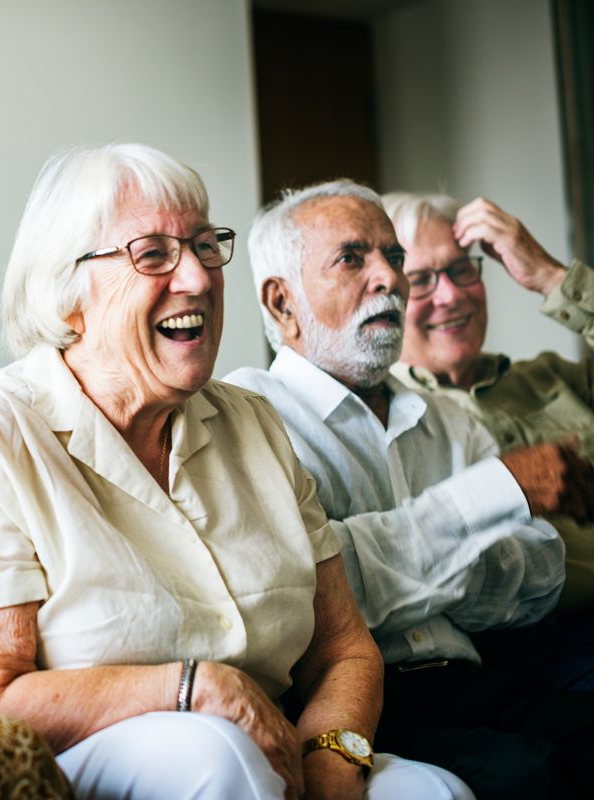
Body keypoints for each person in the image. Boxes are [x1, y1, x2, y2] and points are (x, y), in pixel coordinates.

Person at [0, 143, 472, 800]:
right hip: (72, 762)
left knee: (435, 791)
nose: (197, 278)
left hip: (268, 744)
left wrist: (334, 755)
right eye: (155, 254)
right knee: (213, 754)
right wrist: (195, 688)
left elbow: (344, 649)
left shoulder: (254, 424)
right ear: (67, 291)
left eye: (203, 245)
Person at [223, 179, 594, 800]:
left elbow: (538, 577)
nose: (390, 278)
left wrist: (386, 557)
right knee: (531, 779)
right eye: (352, 257)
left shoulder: (449, 421)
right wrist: (487, 501)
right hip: (362, 705)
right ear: (282, 302)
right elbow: (308, 598)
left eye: (392, 258)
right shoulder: (249, 413)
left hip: (485, 678)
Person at [384, 192, 594, 615]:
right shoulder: (387, 419)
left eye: (461, 270)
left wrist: (553, 278)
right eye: (421, 279)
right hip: (552, 642)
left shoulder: (553, 377)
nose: (450, 296)